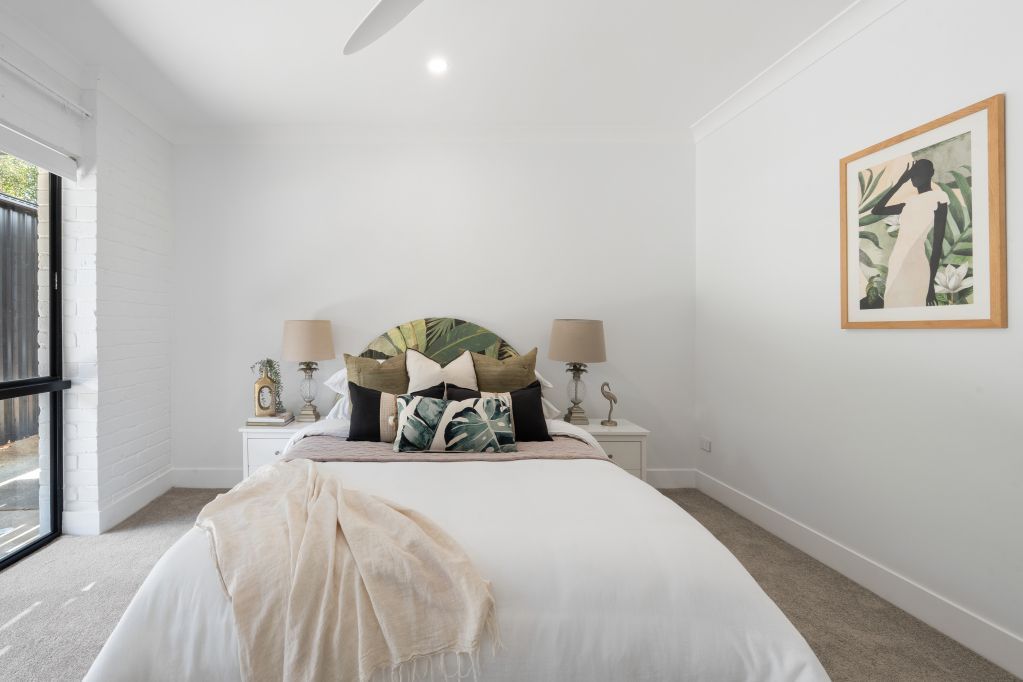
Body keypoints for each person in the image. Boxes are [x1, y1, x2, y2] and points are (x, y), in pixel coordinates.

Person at [871, 159, 949, 307]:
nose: (915, 176)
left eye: (920, 171)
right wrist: (900, 182)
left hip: (916, 263)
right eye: (913, 172)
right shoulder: (909, 202)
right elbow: (877, 210)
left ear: (931, 173)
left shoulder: (939, 198)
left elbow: (937, 245)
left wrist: (930, 285)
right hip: (896, 261)